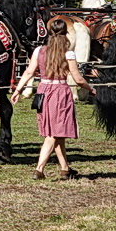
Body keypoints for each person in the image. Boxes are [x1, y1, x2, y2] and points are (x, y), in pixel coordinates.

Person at [12, 16, 89, 180]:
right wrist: (91, 89)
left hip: (43, 91)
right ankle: (39, 169)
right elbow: (78, 79)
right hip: (59, 92)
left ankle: (65, 169)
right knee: (53, 134)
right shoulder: (68, 54)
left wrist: (18, 90)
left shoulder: (38, 51)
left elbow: (28, 72)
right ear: (66, 34)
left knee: (57, 133)